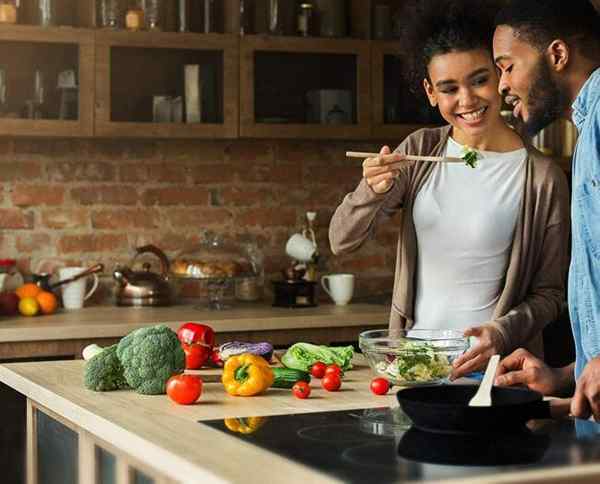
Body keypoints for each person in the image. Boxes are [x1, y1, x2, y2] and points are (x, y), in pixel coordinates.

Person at [328, 0, 570, 378]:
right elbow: (342, 241)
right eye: (449, 88)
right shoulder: (419, 151)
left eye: (479, 79)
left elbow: (552, 294)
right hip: (412, 365)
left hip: (492, 371)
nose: (467, 100)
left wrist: (501, 332)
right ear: (430, 92)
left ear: (499, 74)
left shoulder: (542, 176)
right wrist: (370, 191)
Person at [491, 0, 600, 420]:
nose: (502, 84)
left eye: (507, 66)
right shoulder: (588, 129)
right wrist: (563, 377)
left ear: (557, 55)